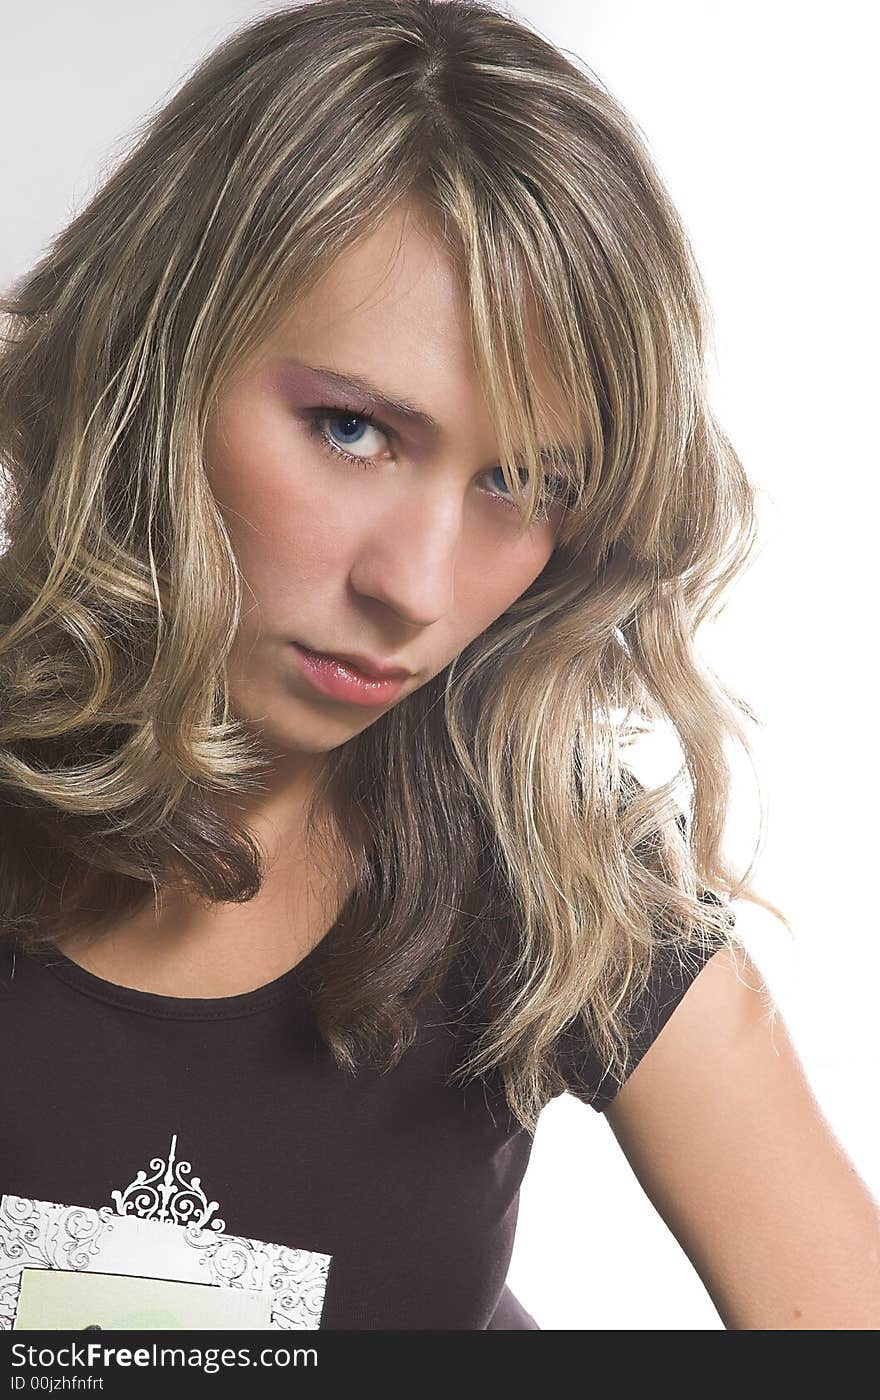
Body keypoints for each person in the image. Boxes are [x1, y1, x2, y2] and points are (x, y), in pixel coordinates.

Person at [0, 0, 876, 1333]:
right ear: (157, 365)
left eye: (521, 484)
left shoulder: (555, 888)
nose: (412, 589)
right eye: (352, 430)